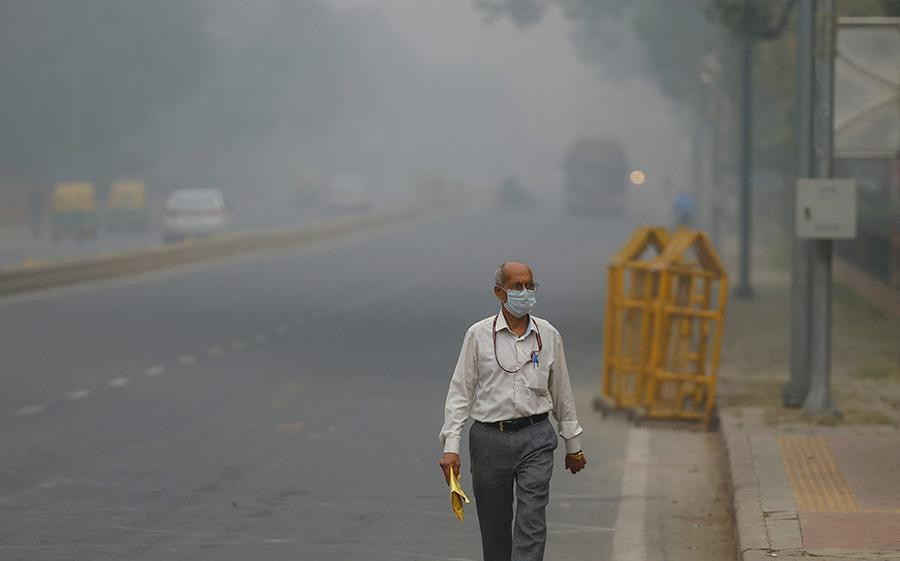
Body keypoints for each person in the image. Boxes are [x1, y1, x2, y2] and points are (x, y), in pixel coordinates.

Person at [438, 261, 587, 561]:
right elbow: (460, 393)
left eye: (530, 285)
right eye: (517, 286)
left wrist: (573, 445)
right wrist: (451, 448)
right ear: (499, 292)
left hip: (536, 439)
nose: (525, 292)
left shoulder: (548, 335)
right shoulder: (478, 335)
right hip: (489, 441)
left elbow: (562, 392)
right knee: (495, 529)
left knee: (532, 521)